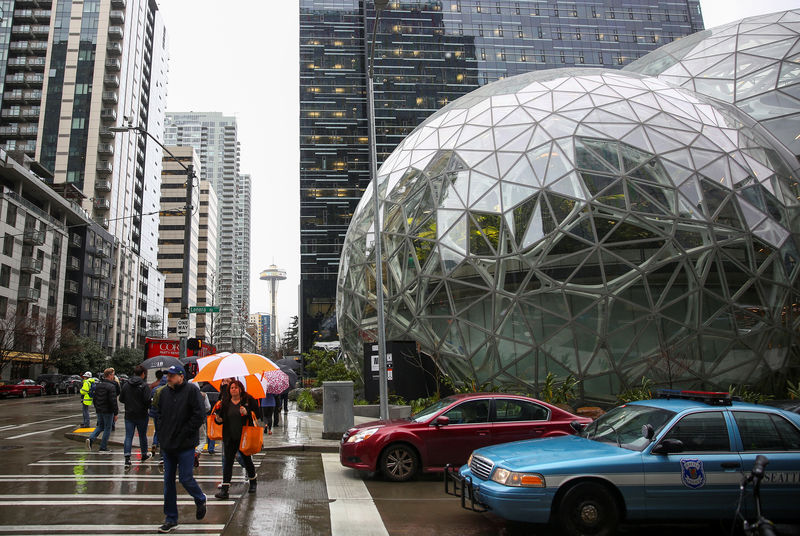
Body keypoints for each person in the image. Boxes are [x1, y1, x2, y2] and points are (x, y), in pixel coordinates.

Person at [154, 365, 206, 534]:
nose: (168, 377)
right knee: (168, 482)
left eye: (172, 375)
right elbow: (158, 414)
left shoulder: (191, 391)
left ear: (181, 377)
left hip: (185, 444)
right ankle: (170, 518)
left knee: (185, 478)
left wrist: (185, 432)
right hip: (168, 445)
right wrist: (161, 434)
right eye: (168, 375)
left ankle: (200, 498)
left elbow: (199, 415)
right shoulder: (164, 393)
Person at [212, 379, 260, 499]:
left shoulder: (248, 400)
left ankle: (253, 481)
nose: (234, 389)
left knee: (247, 460)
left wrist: (247, 412)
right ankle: (225, 489)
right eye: (232, 388)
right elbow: (220, 418)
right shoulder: (226, 402)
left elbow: (257, 414)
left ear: (241, 389)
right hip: (229, 437)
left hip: (243, 437)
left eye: (236, 387)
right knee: (228, 462)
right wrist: (218, 420)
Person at [119, 365, 152, 468]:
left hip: (129, 414)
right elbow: (147, 400)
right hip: (142, 414)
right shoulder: (144, 385)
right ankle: (144, 454)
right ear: (143, 374)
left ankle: (127, 458)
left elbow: (121, 399)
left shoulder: (126, 385)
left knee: (129, 436)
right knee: (142, 435)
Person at [86, 368, 119, 452]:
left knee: (100, 426)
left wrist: (97, 407)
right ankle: (103, 447)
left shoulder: (99, 385)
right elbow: (113, 401)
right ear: (110, 375)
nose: (113, 376)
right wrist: (115, 413)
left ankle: (91, 439)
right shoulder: (111, 386)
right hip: (108, 410)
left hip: (99, 409)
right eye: (113, 374)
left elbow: (95, 398)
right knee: (108, 428)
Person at [149, 370, 167, 456]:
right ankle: (159, 447)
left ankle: (155, 443)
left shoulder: (154, 389)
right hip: (163, 413)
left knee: (157, 429)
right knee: (162, 430)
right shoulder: (166, 390)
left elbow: (151, 401)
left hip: (154, 412)